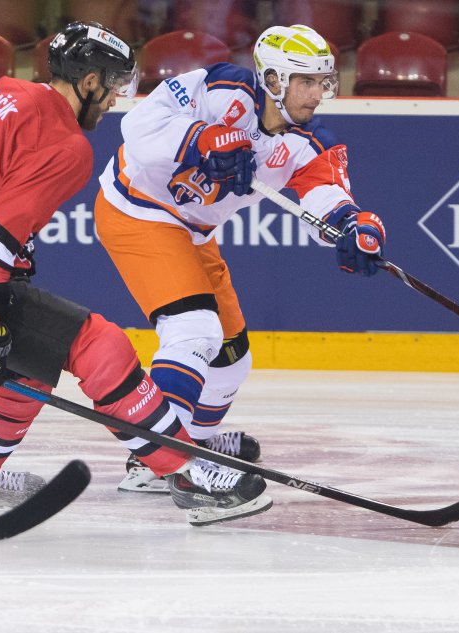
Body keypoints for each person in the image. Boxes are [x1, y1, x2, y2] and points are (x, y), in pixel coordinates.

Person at [0, 21, 271, 526]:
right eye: (113, 86)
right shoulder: (67, 146)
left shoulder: (7, 92)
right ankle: (187, 474)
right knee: (100, 346)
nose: (114, 99)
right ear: (88, 82)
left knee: (28, 368)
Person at [93, 24, 387, 492]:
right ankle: (162, 462)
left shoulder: (313, 142)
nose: (317, 94)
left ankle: (194, 440)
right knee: (194, 331)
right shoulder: (220, 87)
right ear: (272, 80)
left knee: (231, 359)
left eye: (322, 82)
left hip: (194, 233)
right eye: (305, 81)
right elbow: (140, 124)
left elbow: (327, 197)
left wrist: (354, 227)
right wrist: (202, 139)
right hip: (138, 209)